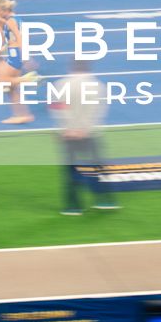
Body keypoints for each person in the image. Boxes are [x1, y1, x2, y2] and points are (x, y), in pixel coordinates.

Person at [57, 59, 116, 216]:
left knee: (71, 171)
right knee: (98, 168)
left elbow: (58, 108)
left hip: (69, 135)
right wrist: (85, 129)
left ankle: (73, 205)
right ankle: (105, 200)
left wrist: (67, 128)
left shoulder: (61, 84)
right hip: (90, 135)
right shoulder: (98, 86)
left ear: (71, 67)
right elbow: (97, 110)